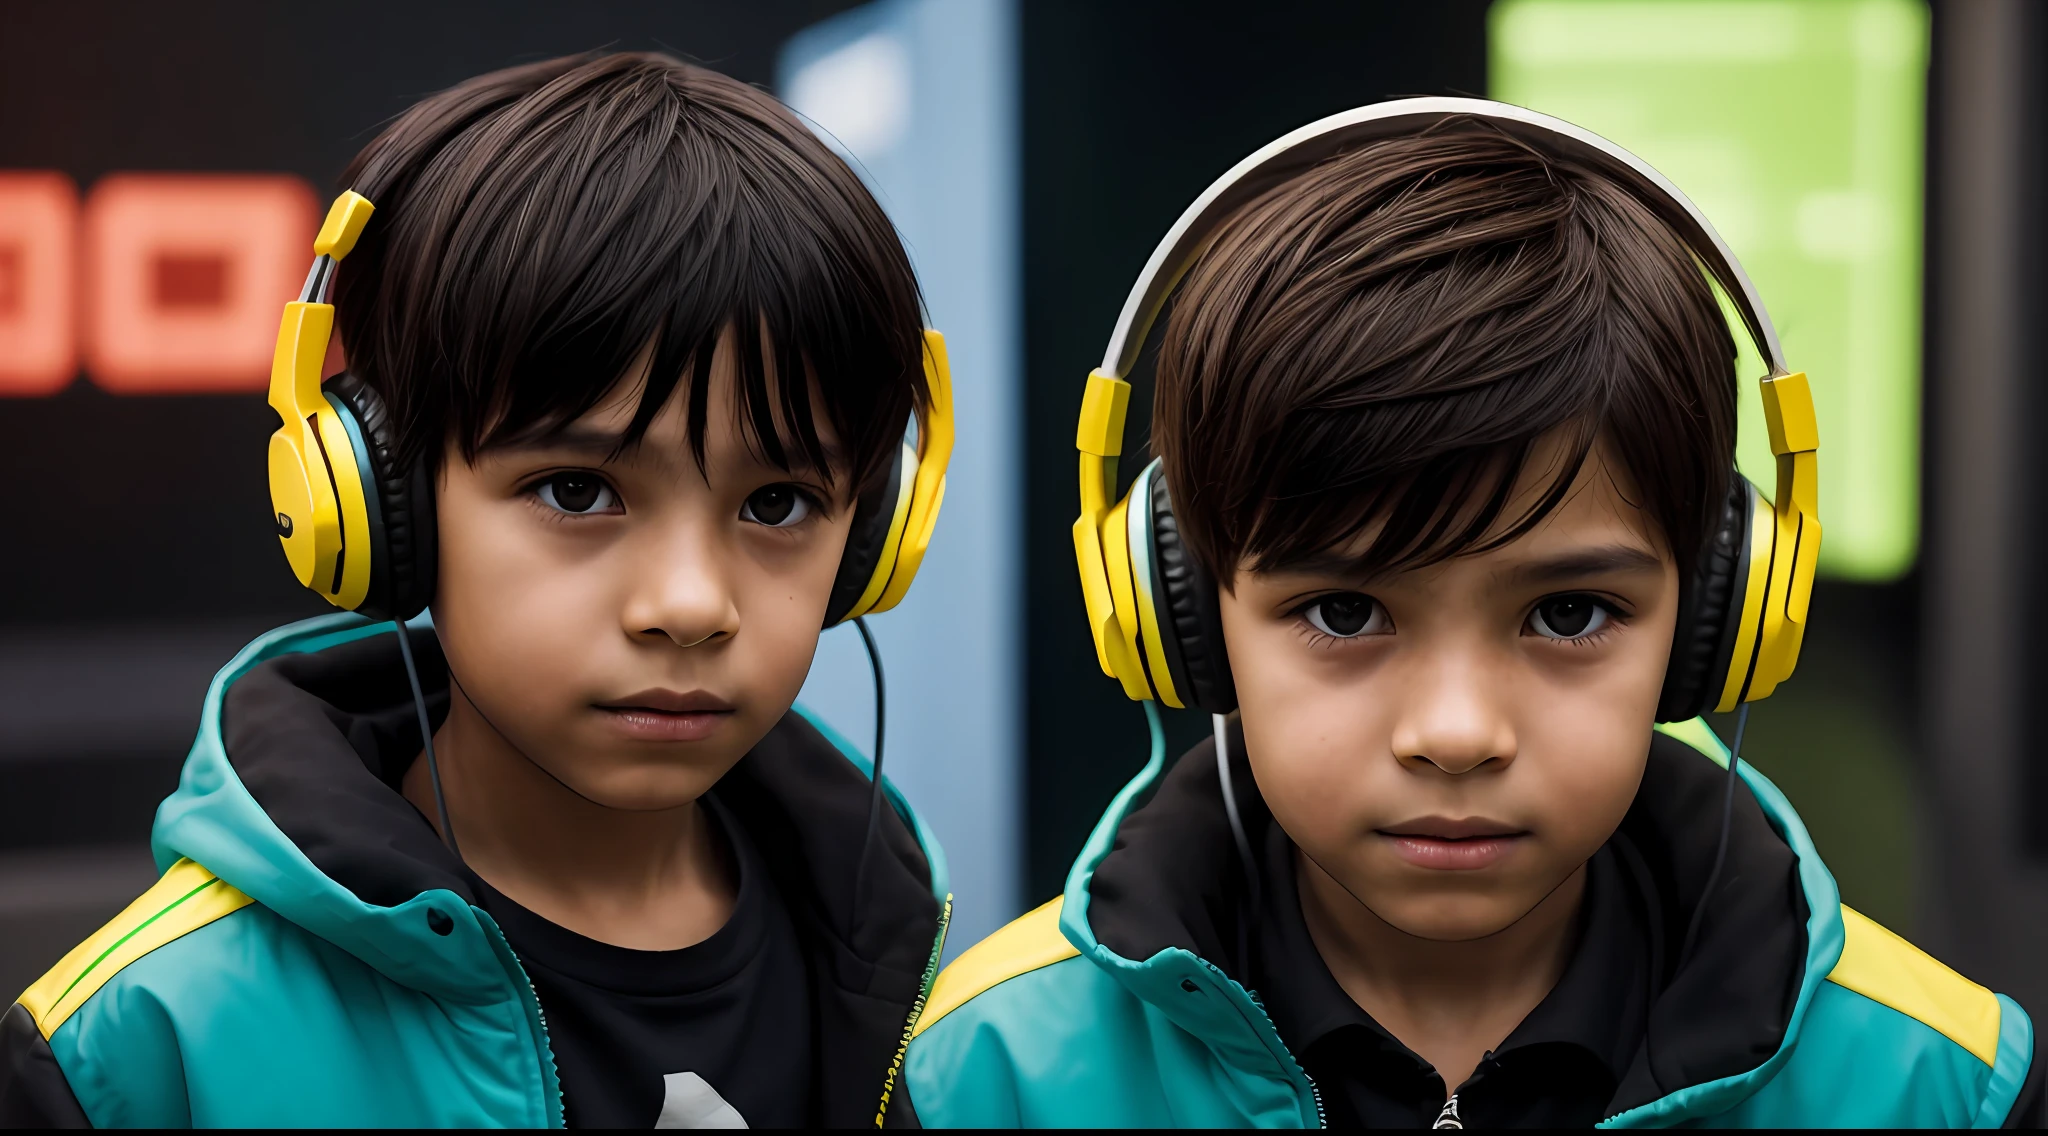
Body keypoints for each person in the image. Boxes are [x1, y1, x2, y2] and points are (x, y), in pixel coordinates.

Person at [900, 100, 2040, 1128]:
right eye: (1344, 611)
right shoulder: (986, 1077)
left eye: (1566, 612)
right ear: (1180, 616)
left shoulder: (1933, 1081)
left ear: (1717, 618)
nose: (1454, 731)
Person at [0, 52, 955, 1128]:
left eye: (777, 504)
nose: (691, 604)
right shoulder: (141, 1050)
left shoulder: (944, 1010)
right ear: (380, 502)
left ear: (871, 534)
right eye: (577, 489)